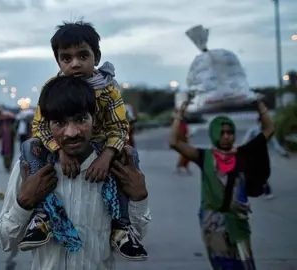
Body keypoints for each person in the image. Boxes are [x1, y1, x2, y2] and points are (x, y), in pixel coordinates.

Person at [0, 76, 150, 269]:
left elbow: (137, 236)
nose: (71, 132)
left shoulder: (116, 168)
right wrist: (24, 203)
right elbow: (4, 240)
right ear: (47, 126)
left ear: (95, 118)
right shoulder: (32, 169)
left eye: (81, 119)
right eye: (59, 122)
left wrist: (139, 198)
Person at [28, 20, 147, 260]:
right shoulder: (52, 89)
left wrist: (106, 156)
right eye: (67, 58)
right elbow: (40, 126)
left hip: (101, 146)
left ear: (97, 55)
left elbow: (119, 126)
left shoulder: (107, 89)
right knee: (29, 147)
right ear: (58, 61)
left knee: (131, 155)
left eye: (83, 55)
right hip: (60, 145)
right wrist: (59, 151)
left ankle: (122, 227)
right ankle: (41, 217)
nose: (76, 64)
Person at [169, 98, 274, 270]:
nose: (226, 136)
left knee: (245, 264)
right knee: (223, 265)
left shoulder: (243, 153)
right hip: (213, 223)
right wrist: (179, 115)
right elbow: (174, 143)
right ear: (214, 133)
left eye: (230, 132)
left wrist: (260, 107)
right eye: (222, 132)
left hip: (238, 222)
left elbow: (269, 130)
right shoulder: (204, 156)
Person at [241, 115, 290, 199]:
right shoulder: (253, 131)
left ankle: (265, 190)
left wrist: (283, 153)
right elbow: (245, 141)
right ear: (258, 123)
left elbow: (275, 144)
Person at [0, 107, 17, 172]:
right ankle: (7, 165)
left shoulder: (12, 126)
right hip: (5, 143)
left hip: (11, 142)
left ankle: (8, 165)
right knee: (6, 154)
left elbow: (15, 134)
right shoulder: (1, 125)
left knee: (11, 154)